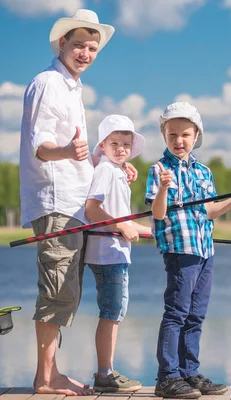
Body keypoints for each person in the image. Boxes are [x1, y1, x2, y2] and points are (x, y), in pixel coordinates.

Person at [18, 9, 136, 396]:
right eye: (79, 45)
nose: (85, 53)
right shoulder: (48, 83)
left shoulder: (71, 87)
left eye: (92, 48)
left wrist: (111, 163)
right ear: (62, 43)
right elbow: (41, 146)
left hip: (72, 206)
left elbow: (80, 155)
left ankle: (52, 374)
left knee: (66, 292)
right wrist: (67, 150)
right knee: (56, 292)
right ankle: (45, 379)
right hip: (56, 205)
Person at [145, 102, 231, 398]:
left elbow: (210, 212)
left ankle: (189, 372)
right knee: (177, 312)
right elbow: (158, 214)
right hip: (180, 250)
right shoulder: (159, 169)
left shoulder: (203, 171)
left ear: (196, 135)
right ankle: (168, 376)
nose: (178, 140)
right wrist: (163, 188)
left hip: (204, 250)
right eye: (172, 134)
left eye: (185, 134)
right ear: (164, 135)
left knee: (196, 314)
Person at [83, 114, 152, 393]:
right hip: (107, 254)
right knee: (112, 312)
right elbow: (92, 209)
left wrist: (157, 232)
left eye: (126, 144)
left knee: (115, 311)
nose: (121, 148)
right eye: (115, 143)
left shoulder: (117, 171)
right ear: (103, 144)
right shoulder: (106, 171)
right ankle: (104, 373)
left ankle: (106, 371)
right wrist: (122, 225)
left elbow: (125, 220)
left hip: (116, 253)